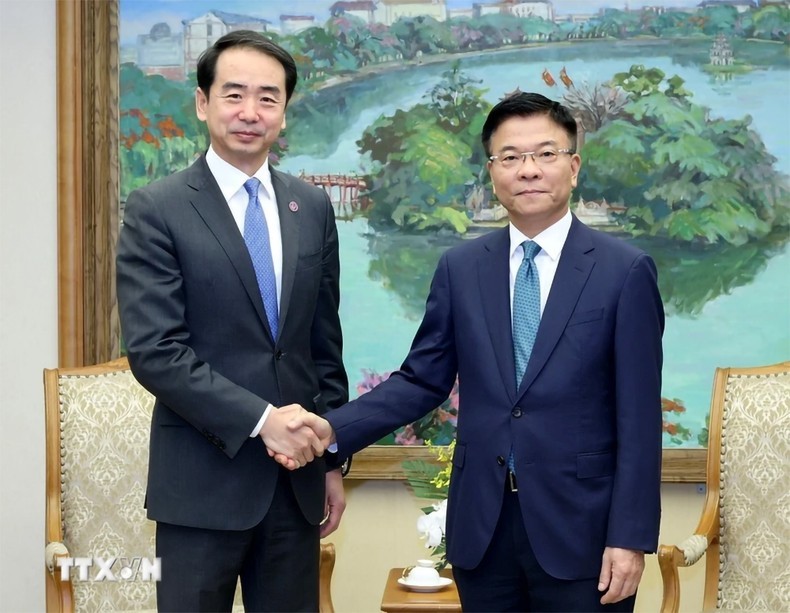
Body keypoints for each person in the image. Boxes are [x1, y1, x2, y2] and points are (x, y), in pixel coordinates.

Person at [290, 92, 664, 611]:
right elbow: (423, 380)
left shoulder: (624, 271)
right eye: (510, 157)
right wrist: (333, 432)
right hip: (482, 531)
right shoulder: (461, 269)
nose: (528, 170)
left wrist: (631, 536)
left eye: (545, 154)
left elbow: (640, 416)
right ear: (493, 173)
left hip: (585, 532)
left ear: (574, 167)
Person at [116, 30, 348, 612]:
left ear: (285, 112)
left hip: (294, 486)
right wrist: (264, 420)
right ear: (203, 102)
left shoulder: (311, 206)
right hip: (200, 487)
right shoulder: (158, 208)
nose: (250, 112)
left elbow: (324, 343)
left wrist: (334, 460)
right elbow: (156, 350)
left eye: (268, 98)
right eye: (234, 94)